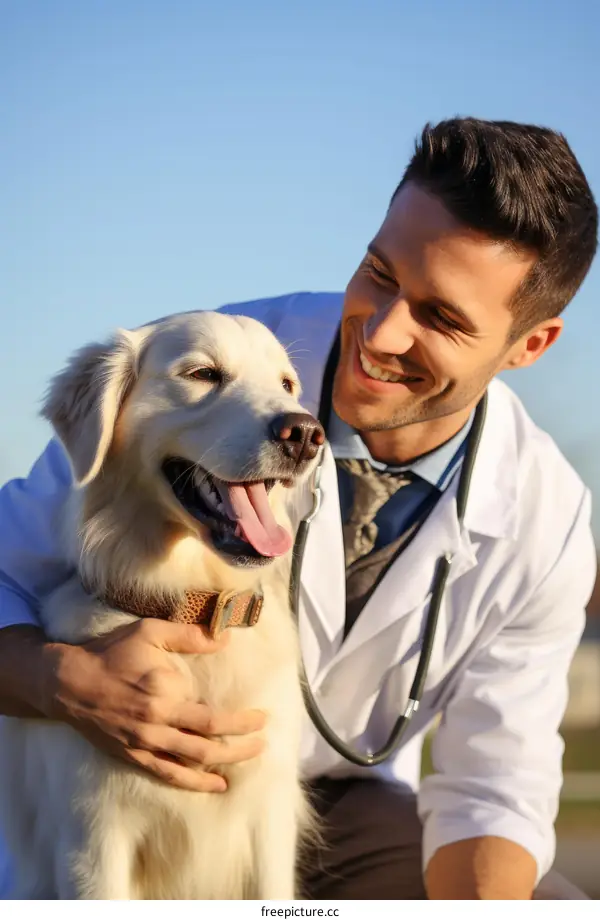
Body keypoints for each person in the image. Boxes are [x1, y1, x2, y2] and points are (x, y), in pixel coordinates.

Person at [0, 117, 598, 901]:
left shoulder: (546, 520)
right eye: (379, 274)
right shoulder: (205, 365)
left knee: (547, 906)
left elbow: (493, 791)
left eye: (442, 318)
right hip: (99, 786)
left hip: (332, 807)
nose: (382, 334)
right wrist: (65, 682)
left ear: (529, 346)